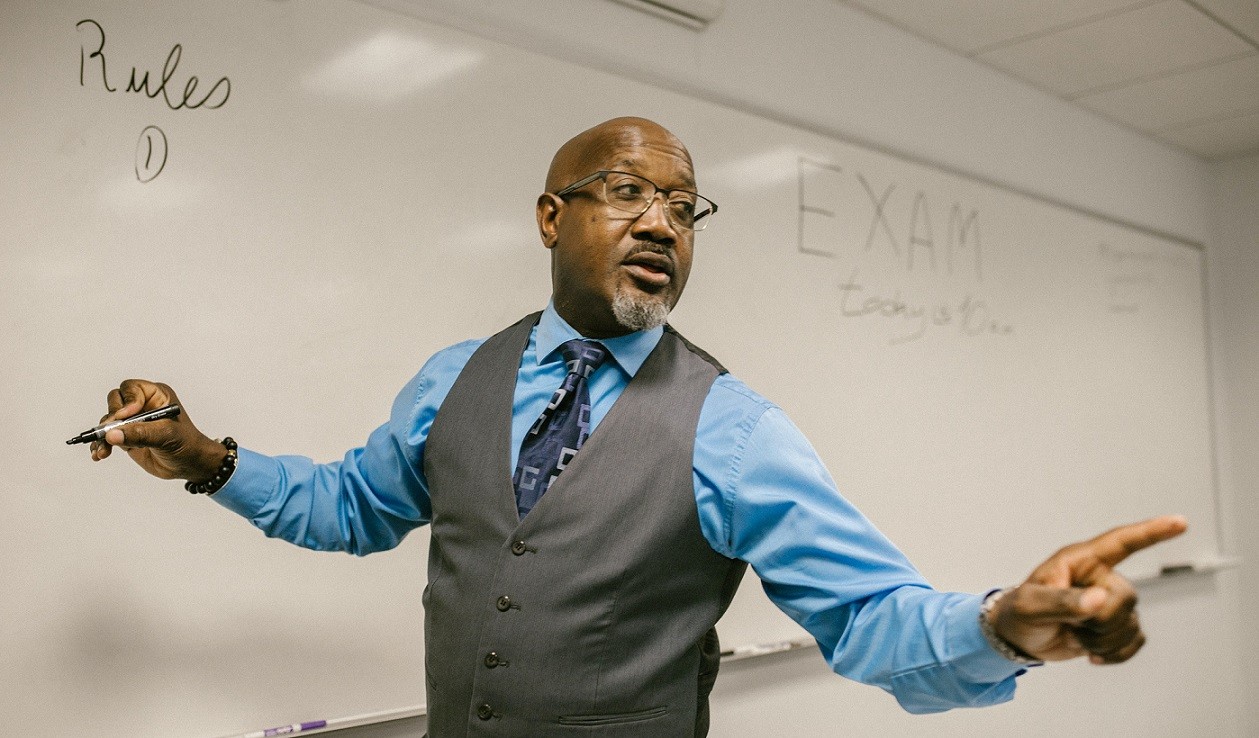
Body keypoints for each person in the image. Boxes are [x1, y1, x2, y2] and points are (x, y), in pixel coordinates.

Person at [88, 117, 1186, 736]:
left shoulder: (730, 427)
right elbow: (348, 507)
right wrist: (204, 457)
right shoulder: (451, 379)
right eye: (624, 190)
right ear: (549, 216)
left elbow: (868, 617)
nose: (660, 219)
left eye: (682, 205)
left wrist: (998, 625)